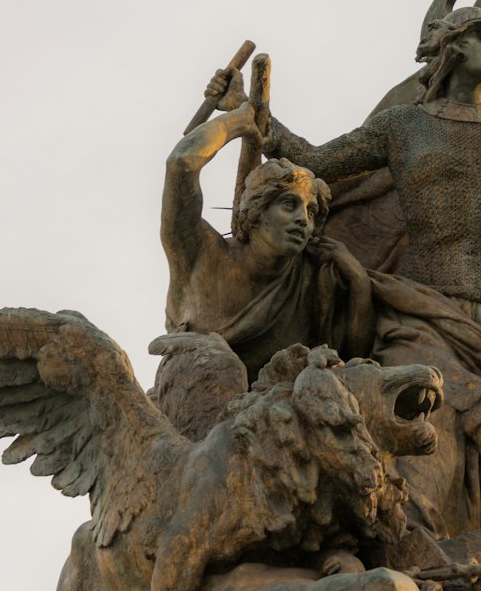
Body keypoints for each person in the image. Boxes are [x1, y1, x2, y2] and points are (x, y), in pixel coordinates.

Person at [206, 0, 481, 535]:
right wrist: (248, 111)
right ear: (452, 45)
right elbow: (318, 161)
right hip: (428, 315)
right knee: (426, 455)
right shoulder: (403, 127)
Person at [160, 101, 373, 388]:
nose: (302, 220)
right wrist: (239, 120)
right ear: (256, 212)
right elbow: (181, 163)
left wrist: (358, 279)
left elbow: (354, 356)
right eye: (290, 205)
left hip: (274, 419)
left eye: (310, 212)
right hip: (191, 404)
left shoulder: (311, 279)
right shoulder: (199, 254)